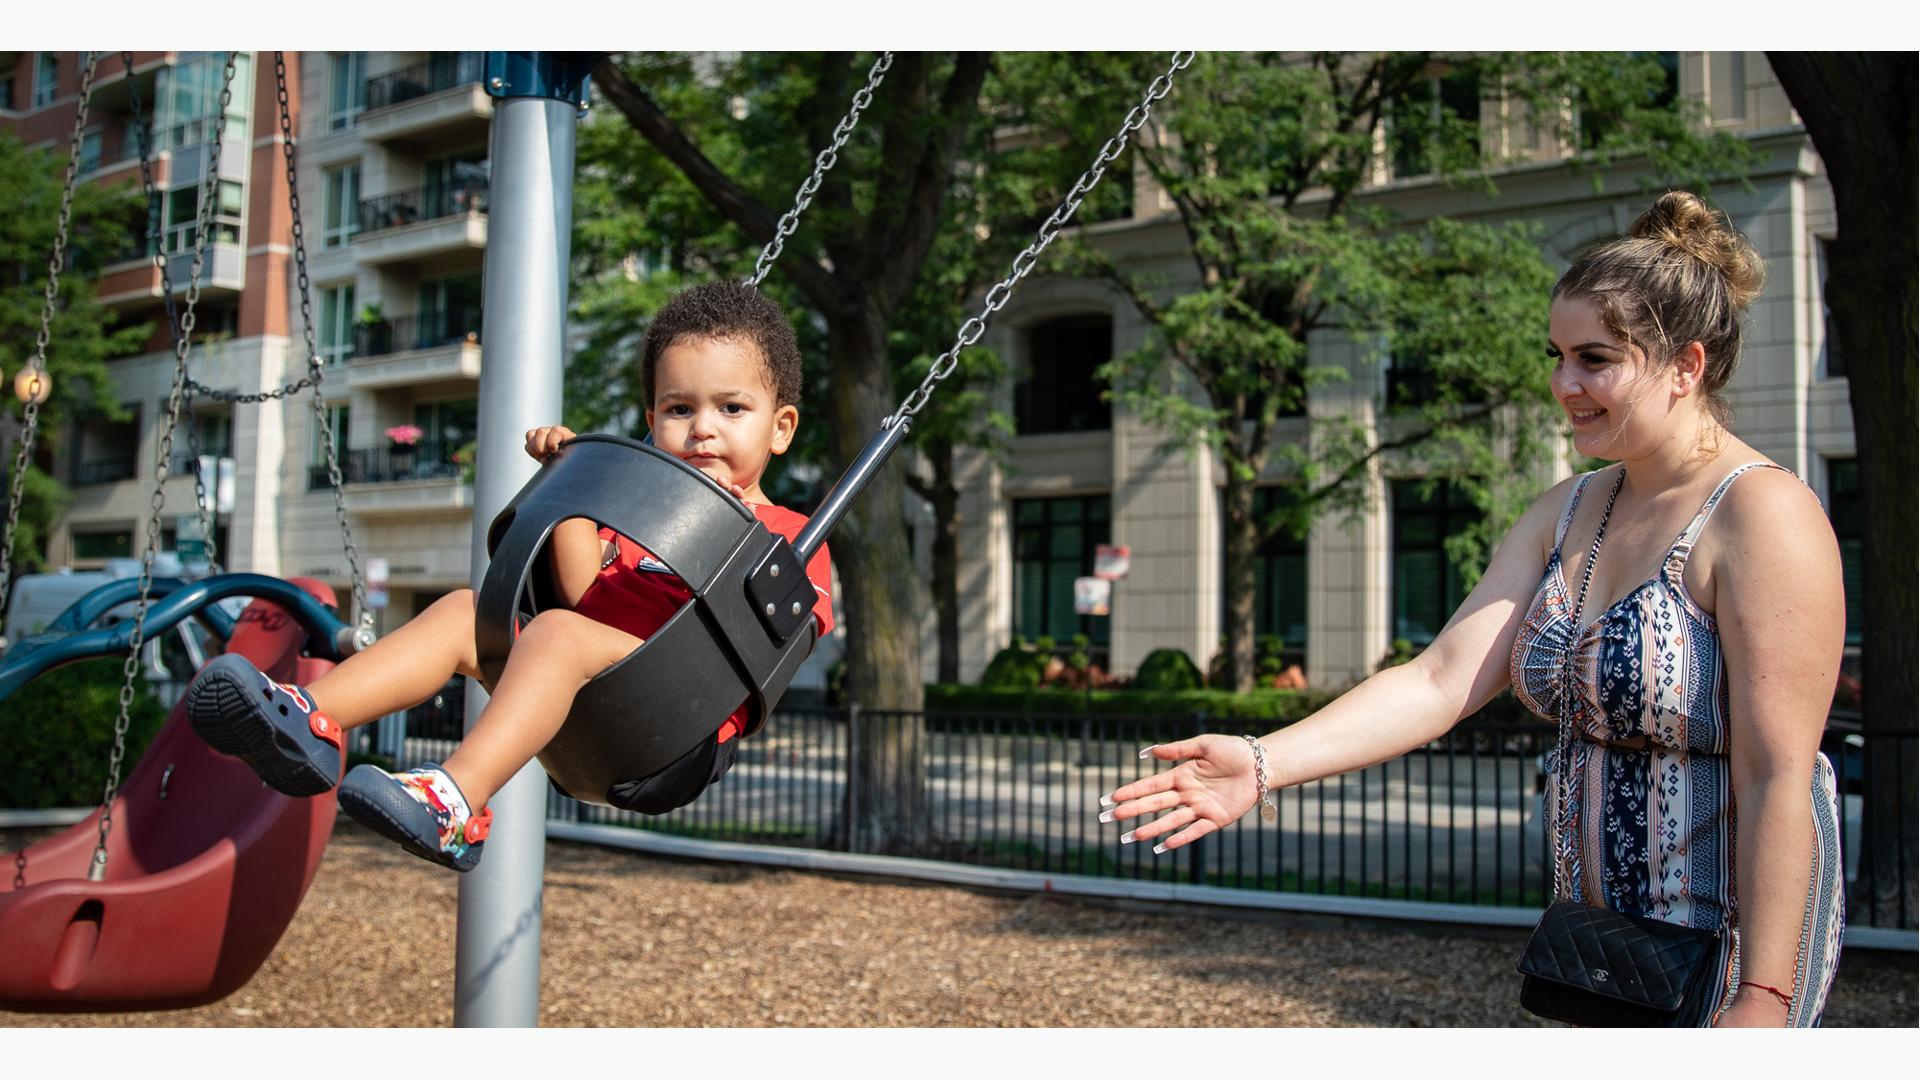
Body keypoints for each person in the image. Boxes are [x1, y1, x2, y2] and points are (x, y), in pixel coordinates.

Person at [1099, 192, 1847, 1028]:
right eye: (1557, 355)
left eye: (1595, 359)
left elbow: (1779, 773)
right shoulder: (1568, 509)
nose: (1565, 384)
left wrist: (1764, 997)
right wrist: (1264, 759)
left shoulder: (1764, 514)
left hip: (1730, 949)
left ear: (1686, 366)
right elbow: (1437, 678)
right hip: (1600, 947)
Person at [183, 281, 833, 872]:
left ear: (780, 429)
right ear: (651, 419)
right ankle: (308, 722)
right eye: (679, 409)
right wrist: (581, 486)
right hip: (590, 703)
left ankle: (456, 803)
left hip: (672, 733)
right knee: (471, 612)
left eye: (732, 409)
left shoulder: (791, 538)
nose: (703, 431)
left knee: (555, 634)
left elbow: (781, 642)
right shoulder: (638, 525)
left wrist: (731, 534)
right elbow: (585, 596)